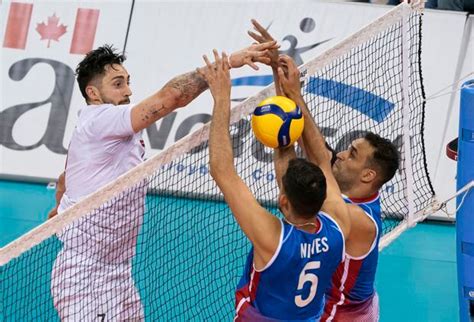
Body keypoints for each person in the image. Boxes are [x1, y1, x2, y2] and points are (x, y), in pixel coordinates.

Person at [47, 42, 277, 321]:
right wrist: (224, 65)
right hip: (86, 276)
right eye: (118, 84)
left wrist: (58, 208)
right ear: (93, 93)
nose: (129, 91)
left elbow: (65, 175)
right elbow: (172, 97)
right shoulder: (101, 119)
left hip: (119, 270)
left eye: (128, 82)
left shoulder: (107, 129)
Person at [249, 20, 399, 321]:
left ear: (368, 175)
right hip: (341, 302)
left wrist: (293, 94)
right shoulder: (355, 195)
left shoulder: (357, 220)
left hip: (343, 315)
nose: (341, 155)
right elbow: (322, 155)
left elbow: (311, 164)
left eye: (352, 154)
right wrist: (282, 82)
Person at [201, 47, 351, 320]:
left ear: (283, 200)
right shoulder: (340, 222)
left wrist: (221, 97)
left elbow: (222, 171)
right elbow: (320, 159)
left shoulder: (272, 238)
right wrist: (286, 97)